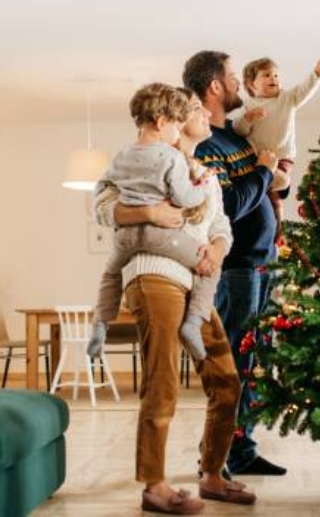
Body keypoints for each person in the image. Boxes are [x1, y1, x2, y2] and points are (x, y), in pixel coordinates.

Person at [96, 85, 256, 514]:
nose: (207, 115)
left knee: (226, 380)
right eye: (198, 111)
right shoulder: (139, 161)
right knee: (162, 380)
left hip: (196, 281)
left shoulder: (207, 173)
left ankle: (212, 474)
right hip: (154, 275)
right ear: (175, 120)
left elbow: (221, 224)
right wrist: (148, 213)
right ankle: (155, 486)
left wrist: (218, 250)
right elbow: (102, 207)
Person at [183, 51, 287, 477]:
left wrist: (276, 177)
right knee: (231, 369)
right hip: (236, 270)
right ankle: (215, 455)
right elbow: (227, 205)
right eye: (231, 76)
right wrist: (263, 173)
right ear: (214, 87)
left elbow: (263, 188)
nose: (238, 84)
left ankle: (242, 451)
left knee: (253, 365)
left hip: (261, 266)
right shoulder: (207, 143)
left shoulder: (238, 138)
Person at [88, 83, 217, 361]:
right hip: (162, 238)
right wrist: (203, 189)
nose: (178, 131)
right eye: (176, 125)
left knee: (110, 275)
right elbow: (184, 198)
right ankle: (193, 324)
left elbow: (101, 190)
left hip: (125, 238)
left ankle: (100, 324)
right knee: (209, 269)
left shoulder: (122, 154)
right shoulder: (171, 156)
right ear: (161, 122)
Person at [233, 52, 320, 228]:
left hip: (282, 156)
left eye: (276, 75)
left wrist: (317, 73)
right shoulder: (248, 105)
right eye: (266, 75)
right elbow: (239, 130)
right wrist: (249, 117)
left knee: (278, 192)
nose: (274, 78)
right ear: (251, 84)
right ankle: (269, 218)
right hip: (257, 159)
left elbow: (304, 90)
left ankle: (279, 222)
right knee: (268, 194)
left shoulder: (286, 98)